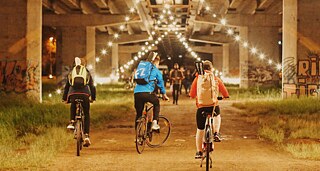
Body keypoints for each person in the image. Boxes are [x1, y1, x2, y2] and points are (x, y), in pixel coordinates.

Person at [189, 60, 229, 159]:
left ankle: (198, 152)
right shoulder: (215, 78)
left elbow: (192, 94)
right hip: (213, 106)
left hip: (201, 107)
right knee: (217, 115)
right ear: (211, 69)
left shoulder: (198, 78)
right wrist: (225, 96)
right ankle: (216, 132)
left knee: (200, 129)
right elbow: (225, 92)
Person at [62, 57, 96, 147]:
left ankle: (72, 121)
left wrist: (65, 98)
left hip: (73, 94)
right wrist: (93, 98)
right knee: (86, 114)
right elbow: (92, 86)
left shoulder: (72, 72)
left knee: (73, 104)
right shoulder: (86, 72)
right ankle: (87, 136)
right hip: (85, 95)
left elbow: (67, 87)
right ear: (84, 64)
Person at [134, 52, 169, 131]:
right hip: (148, 93)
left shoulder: (141, 68)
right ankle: (154, 123)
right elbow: (160, 83)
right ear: (156, 62)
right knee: (156, 103)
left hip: (137, 93)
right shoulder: (156, 70)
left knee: (138, 114)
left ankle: (137, 136)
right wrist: (164, 94)